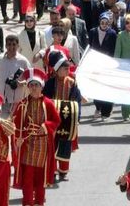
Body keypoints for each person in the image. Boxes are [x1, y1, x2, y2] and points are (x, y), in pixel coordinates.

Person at [11, 69, 60, 206]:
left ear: (41, 86)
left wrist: (44, 127)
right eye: (31, 85)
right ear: (28, 87)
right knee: (27, 178)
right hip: (27, 145)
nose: (33, 88)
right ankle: (27, 203)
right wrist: (17, 139)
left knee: (40, 178)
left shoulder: (48, 103)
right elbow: (16, 125)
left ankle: (39, 202)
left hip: (43, 146)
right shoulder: (22, 104)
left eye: (36, 85)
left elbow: (56, 121)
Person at [42, 52, 82, 182]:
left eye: (68, 68)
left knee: (65, 144)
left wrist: (77, 118)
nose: (67, 70)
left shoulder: (72, 83)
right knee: (52, 144)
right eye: (65, 68)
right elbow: (45, 100)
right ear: (57, 69)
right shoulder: (49, 84)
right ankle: (52, 170)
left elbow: (77, 101)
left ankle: (63, 171)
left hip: (67, 119)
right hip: (53, 119)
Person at [0, 34, 31, 117]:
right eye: (9, 44)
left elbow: (31, 78)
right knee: (1, 124)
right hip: (1, 98)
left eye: (14, 44)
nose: (11, 47)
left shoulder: (23, 61)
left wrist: (22, 83)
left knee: (13, 125)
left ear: (18, 46)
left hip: (15, 100)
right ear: (6, 46)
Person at [89, 12, 117, 120]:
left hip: (108, 65)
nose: (104, 24)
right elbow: (90, 46)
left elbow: (114, 49)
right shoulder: (93, 31)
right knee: (96, 87)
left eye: (106, 22)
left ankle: (106, 111)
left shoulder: (113, 33)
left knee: (106, 87)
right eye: (102, 22)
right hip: (96, 64)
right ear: (100, 22)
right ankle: (98, 106)